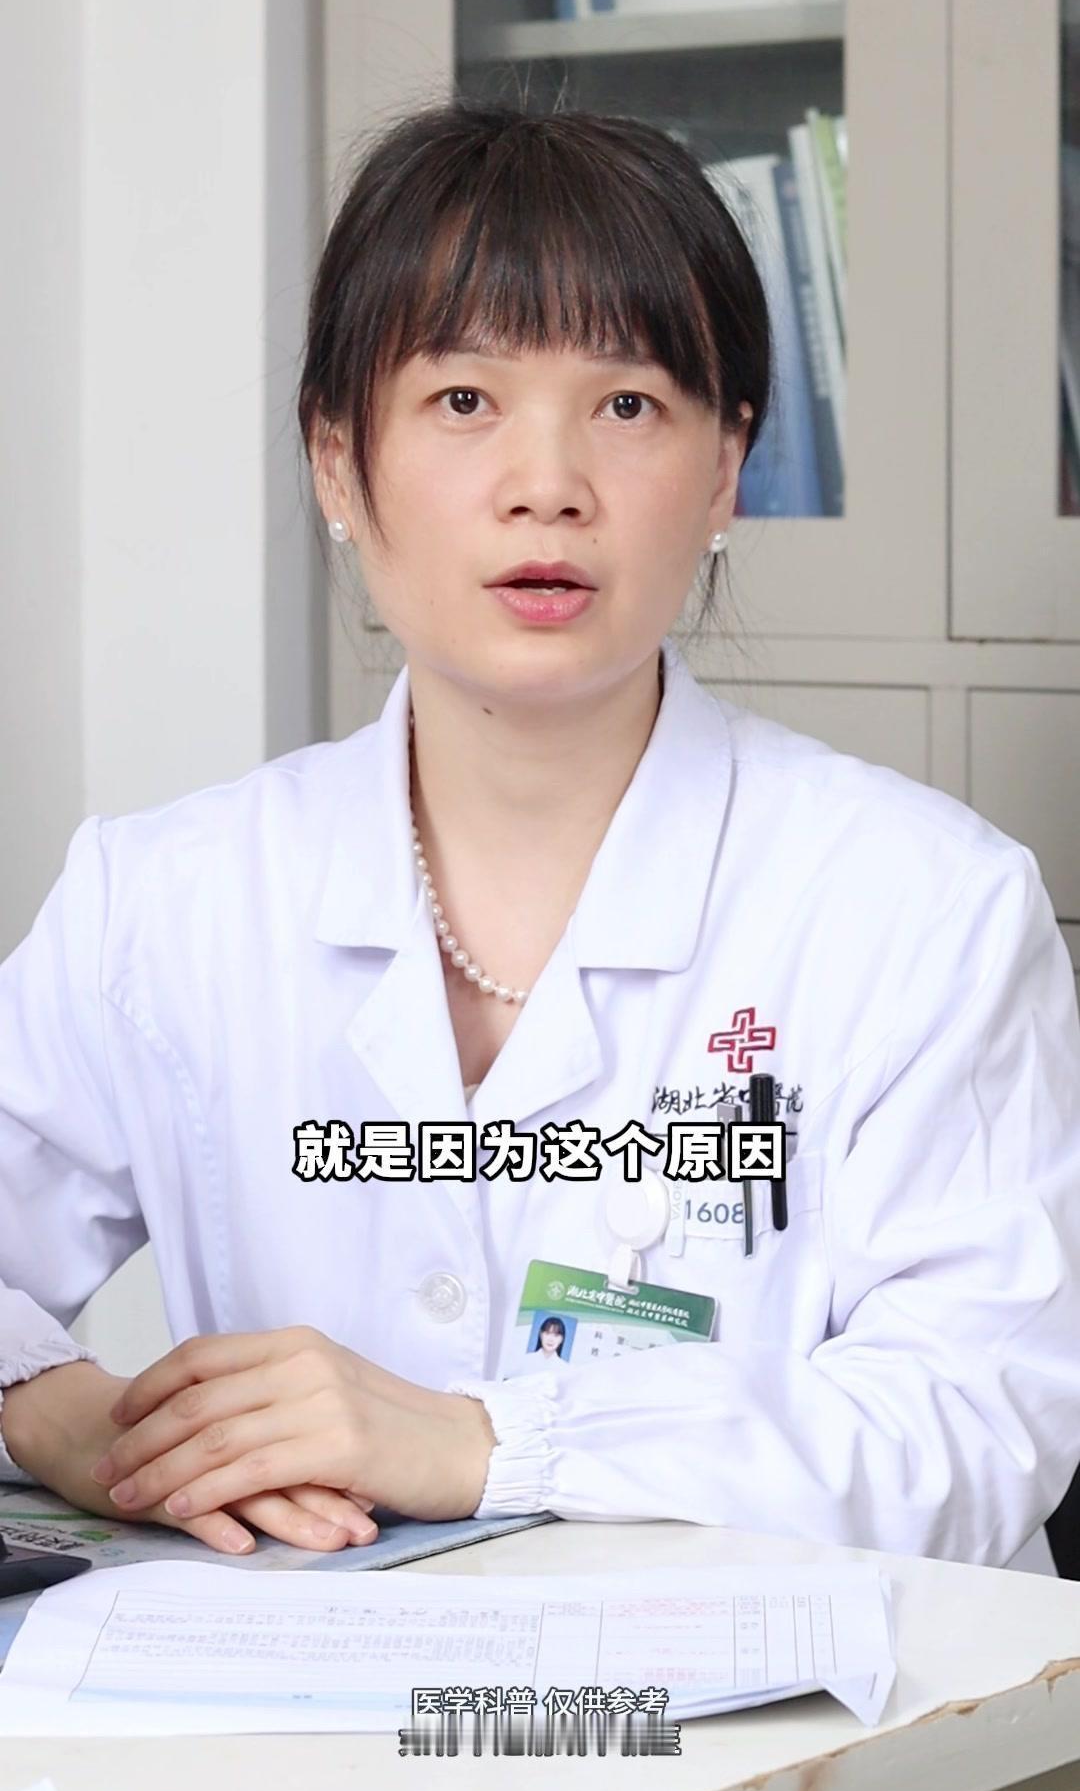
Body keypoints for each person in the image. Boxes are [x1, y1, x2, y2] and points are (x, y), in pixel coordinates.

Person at [2, 98, 1079, 1570]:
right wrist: (62, 1412)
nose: (547, 485)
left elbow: (979, 1422)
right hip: (307, 1698)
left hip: (802, 1711)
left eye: (627, 406)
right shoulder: (164, 899)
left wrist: (485, 1444)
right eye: (464, 400)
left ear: (725, 470)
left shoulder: (924, 907)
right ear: (337, 464)